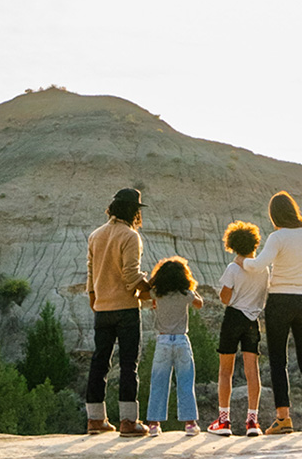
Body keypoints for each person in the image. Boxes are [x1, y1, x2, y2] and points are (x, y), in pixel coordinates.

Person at [241, 190, 302, 433]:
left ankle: (283, 419)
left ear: (274, 215)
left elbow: (258, 265)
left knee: (278, 361)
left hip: (280, 301)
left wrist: (240, 261)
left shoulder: (278, 237)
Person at [84, 187, 151, 437]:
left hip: (102, 308)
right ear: (134, 211)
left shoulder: (95, 235)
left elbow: (91, 274)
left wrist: (95, 299)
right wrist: (151, 287)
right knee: (128, 365)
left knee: (99, 362)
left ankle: (95, 420)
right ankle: (128, 422)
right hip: (126, 309)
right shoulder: (130, 237)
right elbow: (131, 276)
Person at [207, 220, 267, 436]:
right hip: (252, 320)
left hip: (233, 318)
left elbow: (225, 298)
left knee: (226, 371)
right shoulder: (263, 270)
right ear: (254, 244)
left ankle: (224, 421)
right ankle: (253, 421)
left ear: (232, 244)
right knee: (253, 371)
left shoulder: (232, 268)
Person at [141, 256, 204, 436]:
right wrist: (191, 290)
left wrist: (153, 281)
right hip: (181, 340)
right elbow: (199, 304)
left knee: (159, 382)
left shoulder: (157, 294)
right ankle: (190, 424)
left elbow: (140, 295)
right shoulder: (185, 294)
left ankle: (154, 424)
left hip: (163, 341)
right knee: (185, 382)